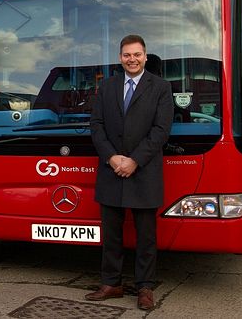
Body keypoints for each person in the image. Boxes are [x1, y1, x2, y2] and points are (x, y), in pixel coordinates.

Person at [85, 35, 173, 310]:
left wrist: (134, 161)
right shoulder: (107, 87)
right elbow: (97, 126)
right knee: (111, 234)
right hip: (111, 170)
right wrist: (112, 158)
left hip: (143, 172)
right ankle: (111, 284)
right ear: (120, 57)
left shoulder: (160, 87)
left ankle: (145, 288)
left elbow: (161, 131)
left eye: (137, 54)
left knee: (146, 236)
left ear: (145, 56)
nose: (132, 59)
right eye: (126, 55)